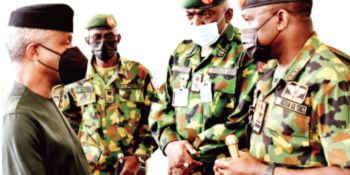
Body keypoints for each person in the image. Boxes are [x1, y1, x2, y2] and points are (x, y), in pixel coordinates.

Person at [214, 0, 350, 175]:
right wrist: (242, 164)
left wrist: (260, 171)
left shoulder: (331, 78)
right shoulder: (270, 70)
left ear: (280, 19)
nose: (244, 31)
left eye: (249, 20)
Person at [149, 0, 260, 174]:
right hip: (180, 168)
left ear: (228, 15)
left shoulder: (247, 52)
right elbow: (161, 105)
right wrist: (169, 144)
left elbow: (248, 118)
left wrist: (190, 152)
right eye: (190, 15)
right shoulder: (182, 51)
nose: (197, 23)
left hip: (225, 167)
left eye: (206, 15)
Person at [52, 13, 158, 175]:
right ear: (87, 41)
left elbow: (154, 121)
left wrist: (139, 156)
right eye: (97, 37)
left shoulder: (139, 73)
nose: (103, 42)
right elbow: (68, 126)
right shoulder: (76, 78)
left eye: (109, 36)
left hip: (130, 167)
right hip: (90, 167)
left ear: (118, 39)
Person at [2, 4, 91, 175]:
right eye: (66, 42)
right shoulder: (18, 116)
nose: (73, 50)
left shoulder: (44, 101)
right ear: (34, 51)